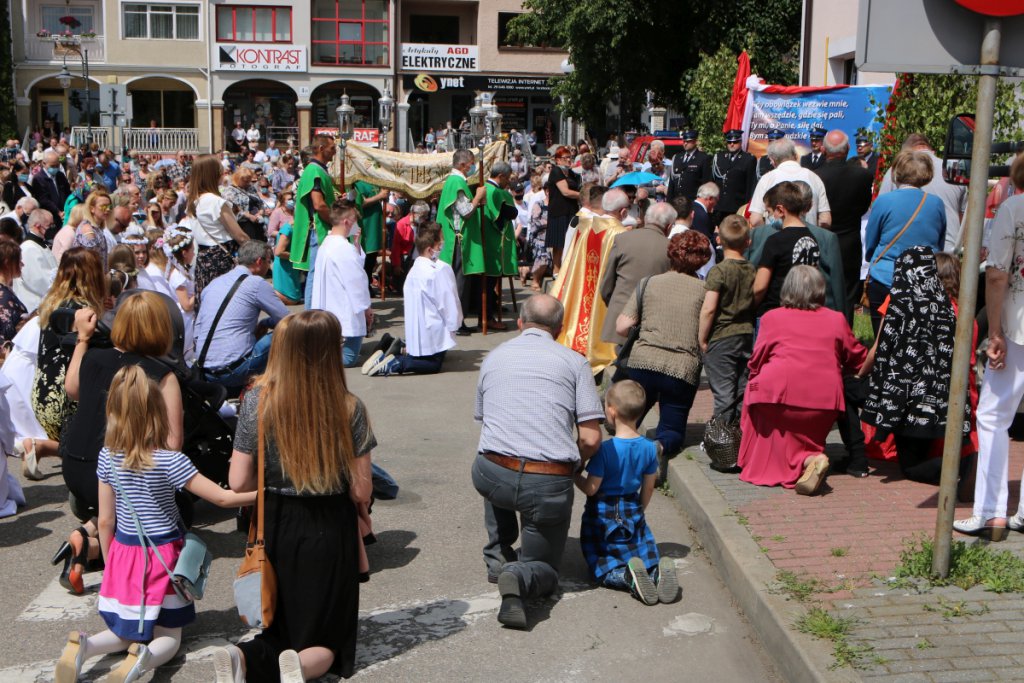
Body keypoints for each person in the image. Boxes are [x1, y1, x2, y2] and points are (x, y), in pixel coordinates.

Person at [54, 365, 255, 683]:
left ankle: (85, 646)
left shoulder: (108, 456)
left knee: (124, 629)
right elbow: (221, 498)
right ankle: (141, 660)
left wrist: (112, 566)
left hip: (124, 551)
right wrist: (264, 494)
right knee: (168, 637)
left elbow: (105, 520)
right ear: (156, 412)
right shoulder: (169, 460)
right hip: (162, 555)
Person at [216, 310, 374, 682]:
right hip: (330, 523)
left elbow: (237, 480)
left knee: (279, 623)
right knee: (327, 638)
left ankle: (241, 658)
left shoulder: (257, 402)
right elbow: (360, 488)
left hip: (276, 519)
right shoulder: (350, 407)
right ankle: (299, 670)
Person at [472, 294, 603, 629]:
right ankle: (521, 574)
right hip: (547, 482)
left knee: (496, 460)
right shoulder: (575, 363)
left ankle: (498, 556)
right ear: (559, 329)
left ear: (519, 322)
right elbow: (590, 438)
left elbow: (485, 419)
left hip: (491, 474)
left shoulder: (494, 358)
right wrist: (575, 466)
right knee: (544, 567)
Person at [53, 292, 184, 594]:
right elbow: (173, 445)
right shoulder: (161, 374)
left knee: (112, 510)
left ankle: (87, 536)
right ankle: (91, 543)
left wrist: (83, 339)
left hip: (75, 462)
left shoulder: (94, 357)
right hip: (112, 468)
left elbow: (72, 389)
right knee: (155, 509)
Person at [737, 266, 866, 494]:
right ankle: (809, 459)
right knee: (805, 436)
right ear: (820, 290)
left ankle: (806, 461)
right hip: (823, 403)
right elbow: (857, 357)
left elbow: (756, 360)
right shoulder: (836, 319)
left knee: (758, 400)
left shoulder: (772, 317)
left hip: (776, 396)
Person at [859, 247, 975, 488]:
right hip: (944, 402)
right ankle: (964, 465)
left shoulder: (901, 302)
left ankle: (967, 468)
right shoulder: (952, 308)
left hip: (905, 401)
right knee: (918, 455)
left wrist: (860, 375)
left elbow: (881, 349)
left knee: (911, 467)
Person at [955, 155, 1024, 540]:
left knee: (994, 416)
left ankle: (991, 511)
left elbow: (996, 274)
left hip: (1018, 323)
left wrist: (993, 332)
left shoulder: (1014, 207)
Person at [575, 380, 679, 605]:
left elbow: (592, 488)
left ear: (611, 412)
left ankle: (625, 577)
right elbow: (649, 485)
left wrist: (574, 476)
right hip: (632, 505)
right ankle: (654, 573)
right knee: (639, 548)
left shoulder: (605, 450)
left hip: (602, 510)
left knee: (602, 562)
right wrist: (640, 508)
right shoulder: (650, 448)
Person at [614, 231, 709, 470]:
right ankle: (659, 446)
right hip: (681, 369)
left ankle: (621, 452)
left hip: (642, 362)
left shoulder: (649, 283)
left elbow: (622, 326)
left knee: (630, 418)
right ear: (703, 259)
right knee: (673, 430)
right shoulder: (706, 291)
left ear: (671, 254)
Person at [28, 248, 107, 480]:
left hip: (42, 397)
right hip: (67, 400)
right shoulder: (83, 312)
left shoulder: (52, 303)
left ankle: (41, 446)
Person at [863, 149, 947, 333]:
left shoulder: (883, 201)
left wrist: (873, 257)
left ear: (897, 172)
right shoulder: (936, 204)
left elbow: (870, 242)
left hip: (885, 277)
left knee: (882, 337)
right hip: (923, 280)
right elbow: (939, 244)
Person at [365, 223, 462, 377]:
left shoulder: (414, 269)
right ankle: (396, 363)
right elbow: (447, 302)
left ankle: (391, 345)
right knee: (434, 364)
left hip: (416, 329)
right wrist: (454, 325)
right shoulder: (438, 269)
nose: (442, 246)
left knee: (420, 354)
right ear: (431, 249)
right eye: (440, 243)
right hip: (433, 328)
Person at [550, 188, 630, 373]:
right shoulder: (620, 233)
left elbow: (570, 261)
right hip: (603, 292)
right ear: (623, 212)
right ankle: (596, 348)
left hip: (581, 287)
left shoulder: (585, 226)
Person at [192, 240, 289, 391]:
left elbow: (197, 334)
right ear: (259, 261)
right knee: (285, 334)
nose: (268, 266)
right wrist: (266, 322)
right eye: (269, 261)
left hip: (206, 370)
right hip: (234, 372)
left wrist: (263, 323)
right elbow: (287, 319)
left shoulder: (213, 284)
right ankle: (281, 389)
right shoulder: (256, 283)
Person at [698, 215, 755, 424]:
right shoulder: (752, 269)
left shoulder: (719, 271)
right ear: (748, 242)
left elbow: (709, 309)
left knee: (723, 392)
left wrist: (702, 338)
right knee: (741, 390)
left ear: (719, 239)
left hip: (721, 336)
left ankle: (721, 439)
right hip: (746, 334)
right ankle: (739, 435)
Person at [814, 130, 873, 320]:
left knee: (820, 291)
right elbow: (863, 208)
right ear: (848, 149)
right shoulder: (862, 176)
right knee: (848, 295)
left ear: (824, 150)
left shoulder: (816, 177)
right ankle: (845, 334)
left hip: (821, 241)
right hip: (849, 242)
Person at [600, 201, 674, 347]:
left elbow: (607, 283)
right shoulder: (670, 248)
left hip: (620, 314)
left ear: (646, 219)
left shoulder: (623, 239)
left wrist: (614, 305)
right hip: (651, 320)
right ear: (669, 226)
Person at [310, 199, 372, 367]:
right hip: (344, 309)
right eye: (355, 219)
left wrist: (357, 244)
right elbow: (356, 281)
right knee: (349, 358)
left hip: (329, 309)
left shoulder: (327, 243)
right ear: (347, 222)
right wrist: (366, 308)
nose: (357, 223)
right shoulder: (343, 248)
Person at [878, 133, 966, 251]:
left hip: (904, 256)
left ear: (904, 152)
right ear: (931, 150)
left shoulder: (895, 171)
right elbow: (965, 216)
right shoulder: (953, 170)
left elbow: (880, 216)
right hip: (946, 253)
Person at [753, 181, 823, 319]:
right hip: (803, 309)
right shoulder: (811, 238)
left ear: (780, 210)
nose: (768, 217)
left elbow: (760, 286)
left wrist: (750, 307)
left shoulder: (776, 240)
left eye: (769, 212)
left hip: (775, 311)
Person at [436, 149, 488, 336]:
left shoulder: (455, 181)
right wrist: (478, 197)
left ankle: (458, 319)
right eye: (471, 164)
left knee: (461, 282)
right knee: (459, 282)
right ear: (462, 165)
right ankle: (456, 321)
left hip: (457, 236)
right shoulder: (457, 182)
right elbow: (465, 211)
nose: (473, 167)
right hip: (458, 238)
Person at [186, 155, 250, 300]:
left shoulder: (193, 201)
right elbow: (240, 236)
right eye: (220, 170)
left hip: (204, 258)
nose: (224, 174)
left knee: (208, 301)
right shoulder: (216, 202)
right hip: (222, 257)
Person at [290, 136, 336, 309]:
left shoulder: (317, 170)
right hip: (318, 228)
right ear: (322, 148)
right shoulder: (314, 171)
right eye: (332, 148)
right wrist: (335, 220)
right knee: (316, 273)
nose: (334, 152)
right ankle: (311, 316)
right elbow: (318, 204)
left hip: (321, 228)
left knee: (320, 273)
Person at [749, 137, 831, 228]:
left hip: (776, 239)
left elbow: (755, 220)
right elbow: (825, 220)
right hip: (809, 238)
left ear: (772, 160)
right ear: (795, 155)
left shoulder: (766, 179)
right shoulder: (814, 178)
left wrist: (767, 235)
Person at [12, 208, 57, 313]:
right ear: (37, 226)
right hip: (36, 306)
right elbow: (40, 281)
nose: (52, 228)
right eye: (50, 225)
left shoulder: (40, 244)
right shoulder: (28, 248)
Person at [545, 146, 581, 273]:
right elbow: (565, 192)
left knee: (570, 240)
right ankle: (556, 270)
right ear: (558, 160)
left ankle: (568, 269)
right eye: (565, 158)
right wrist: (582, 196)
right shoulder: (556, 172)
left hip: (571, 211)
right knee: (559, 243)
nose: (568, 160)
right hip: (559, 211)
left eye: (569, 157)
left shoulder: (571, 173)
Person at [711, 129, 757, 226]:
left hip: (736, 207)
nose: (732, 144)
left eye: (735, 142)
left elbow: (750, 186)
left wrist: (746, 208)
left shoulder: (748, 159)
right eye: (729, 142)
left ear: (740, 142)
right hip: (719, 207)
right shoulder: (719, 157)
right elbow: (714, 181)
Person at [353, 180, 389, 296]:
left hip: (375, 224)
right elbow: (359, 203)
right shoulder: (356, 183)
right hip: (365, 223)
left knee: (372, 256)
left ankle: (367, 283)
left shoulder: (375, 181)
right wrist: (380, 196)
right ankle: (362, 287)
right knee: (364, 256)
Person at [669, 130, 711, 202]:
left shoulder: (703, 158)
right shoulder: (677, 157)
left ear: (695, 141)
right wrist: (669, 201)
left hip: (692, 201)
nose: (685, 143)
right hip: (677, 201)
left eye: (688, 141)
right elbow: (672, 183)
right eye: (684, 141)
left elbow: (705, 183)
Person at [30, 150, 71, 223]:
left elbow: (67, 192)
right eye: (52, 166)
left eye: (57, 165)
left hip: (64, 214)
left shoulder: (60, 175)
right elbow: (43, 199)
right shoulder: (38, 179)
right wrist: (58, 212)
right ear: (44, 163)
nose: (55, 168)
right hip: (49, 217)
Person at [0, 238, 26, 342]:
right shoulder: (4, 296)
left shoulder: (6, 290)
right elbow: (8, 334)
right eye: (19, 261)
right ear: (7, 263)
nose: (22, 264)